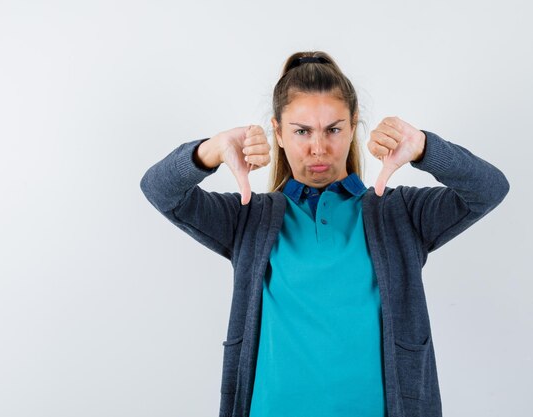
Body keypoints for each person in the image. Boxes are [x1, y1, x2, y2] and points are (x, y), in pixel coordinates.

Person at [140, 51, 509, 417]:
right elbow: (159, 189)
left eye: (333, 129)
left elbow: (489, 189)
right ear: (279, 133)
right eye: (302, 131)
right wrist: (209, 152)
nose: (319, 148)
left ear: (353, 128)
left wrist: (426, 149)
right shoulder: (249, 218)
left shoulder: (398, 214)